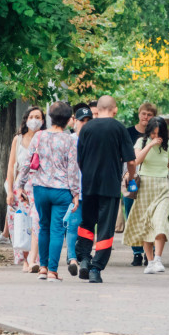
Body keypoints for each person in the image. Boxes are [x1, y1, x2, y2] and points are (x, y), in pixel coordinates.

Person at [76, 95, 137, 284]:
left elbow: (80, 159)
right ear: (115, 109)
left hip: (88, 185)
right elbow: (131, 161)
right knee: (105, 228)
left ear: (99, 108)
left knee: (87, 223)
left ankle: (84, 259)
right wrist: (131, 177)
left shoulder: (86, 129)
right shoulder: (119, 128)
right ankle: (96, 268)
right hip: (109, 186)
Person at [16, 102, 79, 282]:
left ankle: (42, 268)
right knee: (57, 230)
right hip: (61, 190)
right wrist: (76, 194)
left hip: (40, 188)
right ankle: (52, 271)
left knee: (43, 227)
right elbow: (73, 169)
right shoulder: (70, 140)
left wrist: (20, 185)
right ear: (68, 120)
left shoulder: (39, 136)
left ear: (50, 117)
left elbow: (27, 163)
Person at [124, 117, 169, 274]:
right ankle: (150, 261)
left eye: (159, 134)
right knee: (146, 225)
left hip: (162, 187)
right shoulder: (141, 142)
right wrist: (150, 144)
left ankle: (158, 258)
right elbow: (136, 161)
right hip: (145, 187)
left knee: (160, 223)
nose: (157, 136)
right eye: (153, 133)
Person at [2, 106, 46, 271]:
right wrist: (9, 192)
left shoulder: (44, 138)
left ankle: (36, 258)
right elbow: (12, 165)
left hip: (38, 185)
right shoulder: (18, 140)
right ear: (26, 119)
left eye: (38, 117)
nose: (35, 120)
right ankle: (25, 260)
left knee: (36, 222)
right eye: (32, 116)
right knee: (20, 223)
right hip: (18, 187)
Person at [60, 104, 91, 276]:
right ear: (74, 121)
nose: (85, 123)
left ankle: (84, 257)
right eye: (82, 120)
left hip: (90, 189)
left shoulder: (94, 140)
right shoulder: (69, 140)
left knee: (86, 226)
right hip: (72, 189)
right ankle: (72, 258)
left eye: (88, 120)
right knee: (72, 224)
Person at [125, 103, 157, 266]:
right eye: (144, 114)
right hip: (132, 178)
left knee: (149, 216)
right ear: (138, 114)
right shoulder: (128, 132)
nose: (146, 117)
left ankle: (147, 251)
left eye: (149, 115)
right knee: (131, 212)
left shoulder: (157, 135)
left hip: (152, 180)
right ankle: (136, 252)